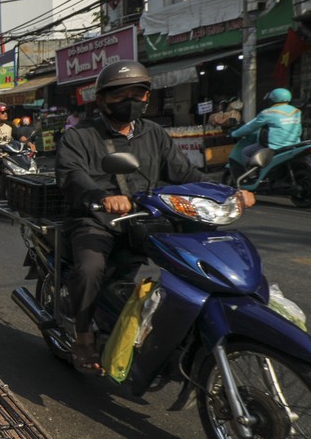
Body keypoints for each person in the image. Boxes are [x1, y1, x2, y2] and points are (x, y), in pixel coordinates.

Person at [55, 60, 254, 375]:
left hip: (147, 219)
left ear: (147, 97)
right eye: (120, 95)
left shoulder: (154, 133)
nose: (129, 101)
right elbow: (72, 174)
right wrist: (102, 197)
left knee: (194, 260)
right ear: (102, 99)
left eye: (137, 93)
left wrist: (227, 192)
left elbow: (183, 173)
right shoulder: (79, 136)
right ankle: (82, 338)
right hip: (96, 219)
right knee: (90, 268)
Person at [229, 87, 302, 174]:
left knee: (246, 151)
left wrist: (234, 134)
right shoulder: (296, 111)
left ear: (272, 99)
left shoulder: (268, 112)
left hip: (274, 147)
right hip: (295, 145)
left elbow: (250, 127)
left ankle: (251, 175)